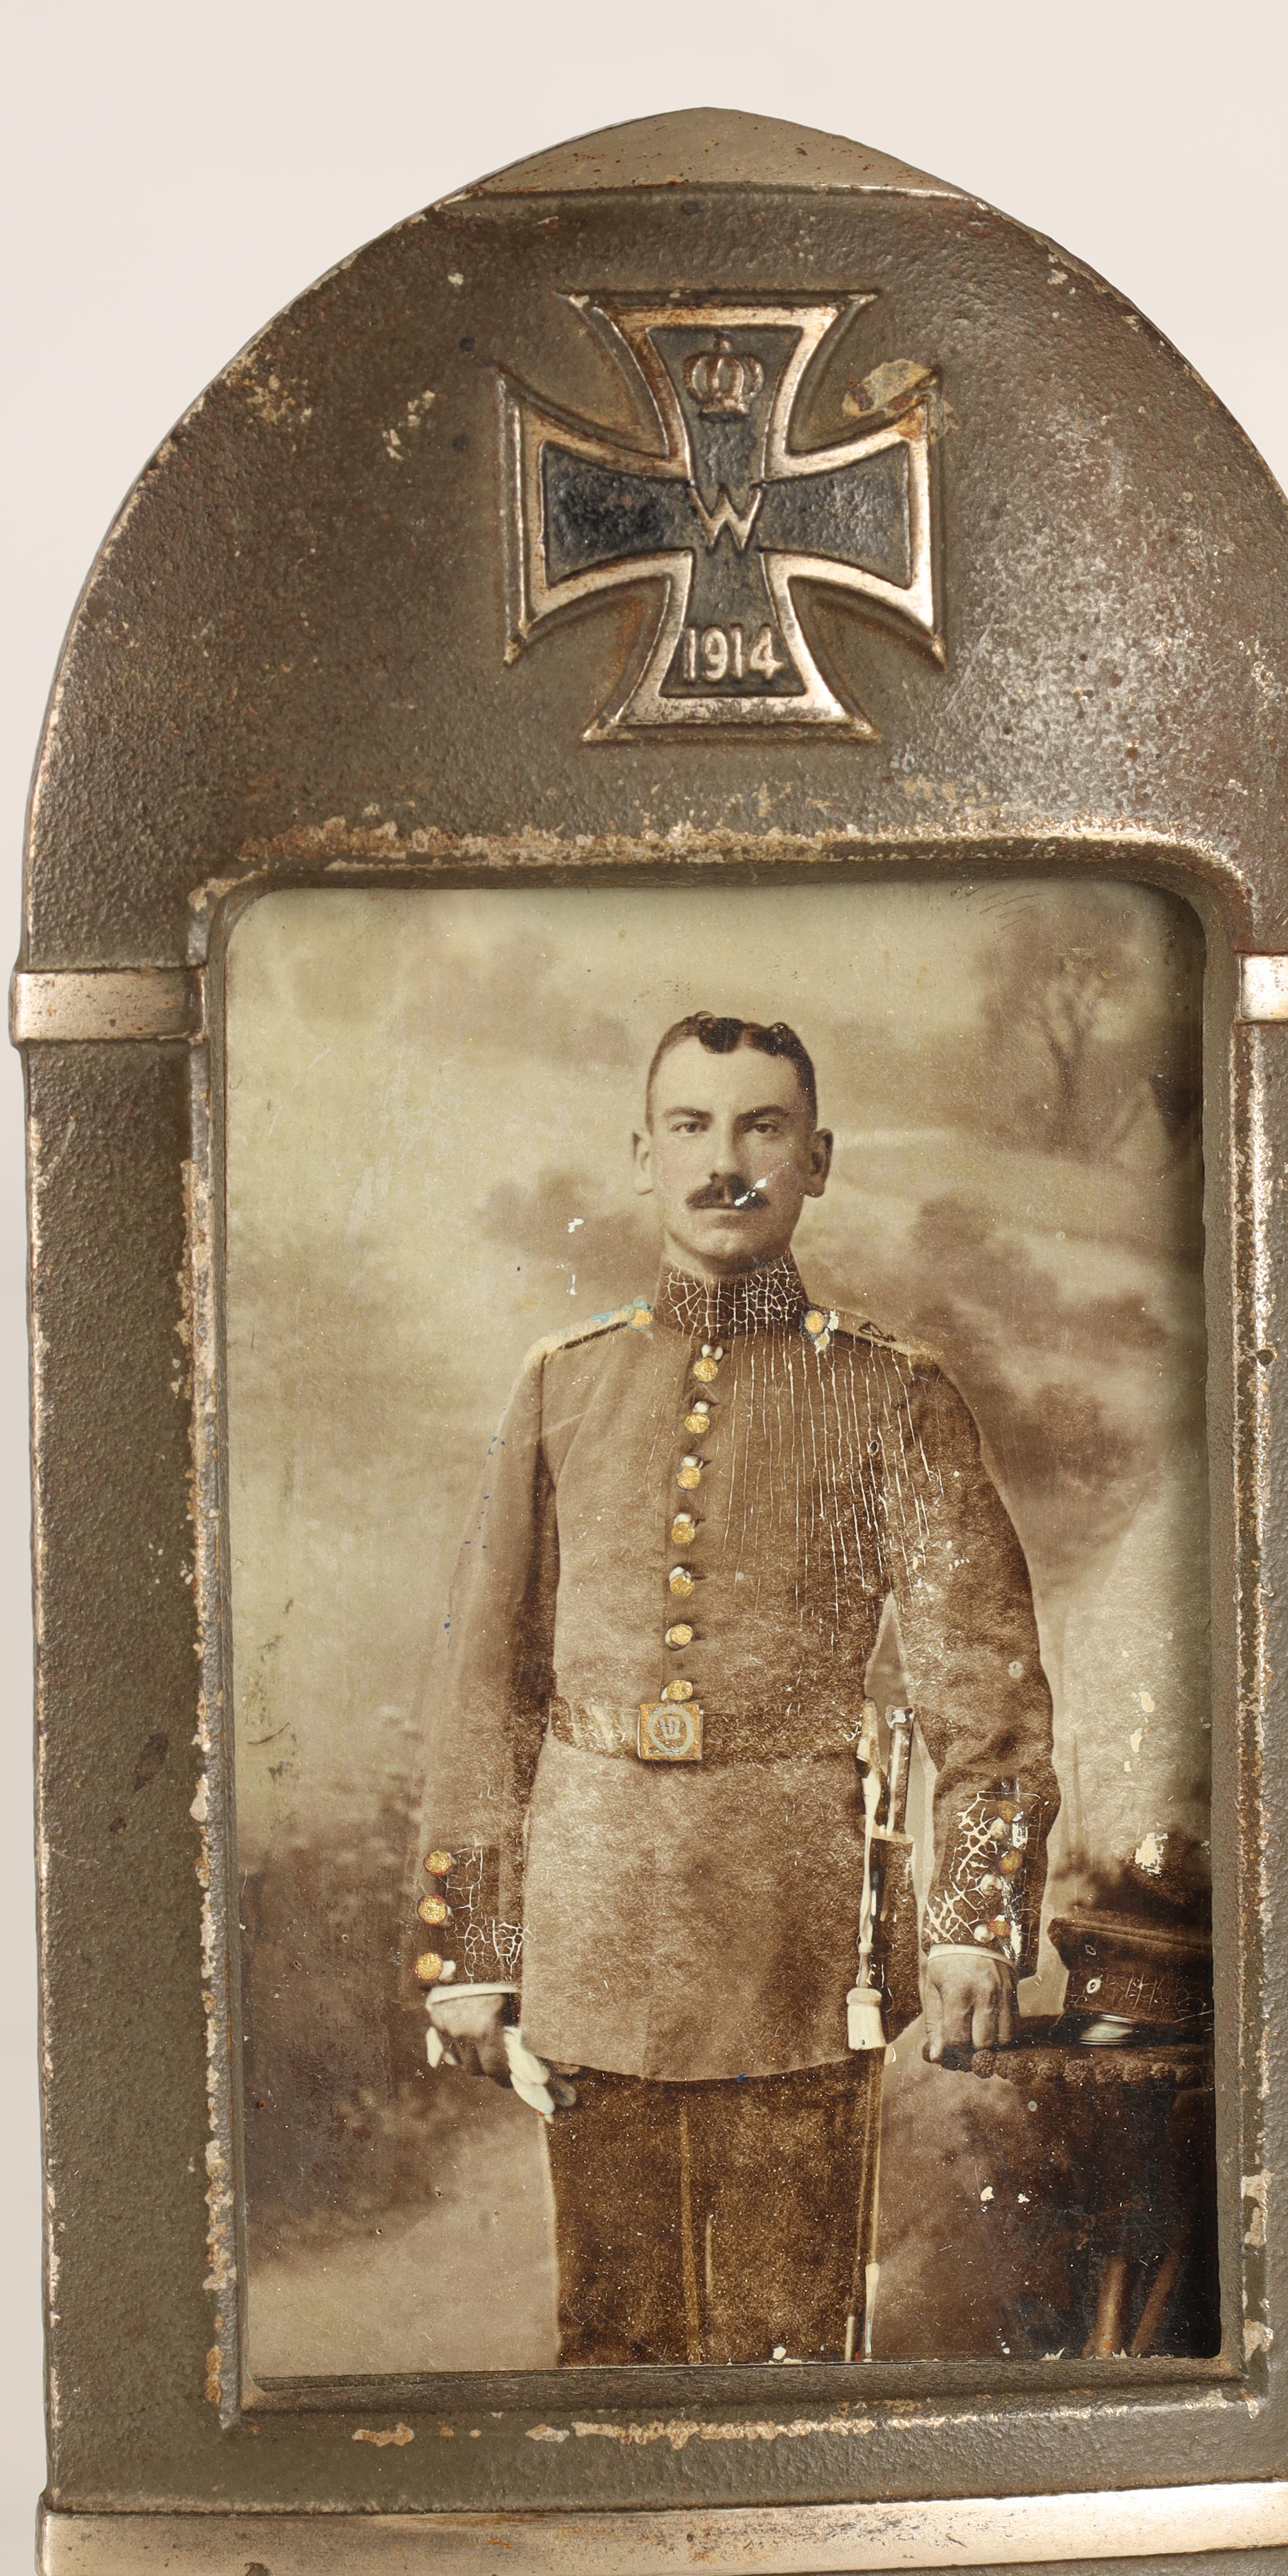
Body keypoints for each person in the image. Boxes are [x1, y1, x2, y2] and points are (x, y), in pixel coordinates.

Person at [402, 1011, 1056, 2366]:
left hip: (793, 1943)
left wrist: (976, 1918)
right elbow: (487, 1695)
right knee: (612, 2339)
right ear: (643, 1156)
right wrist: (471, 1950)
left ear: (817, 1160)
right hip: (593, 1928)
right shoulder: (563, 1388)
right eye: (692, 1128)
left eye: (763, 1128)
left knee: (786, 2342)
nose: (726, 1162)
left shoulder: (891, 1398)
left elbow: (981, 1690)